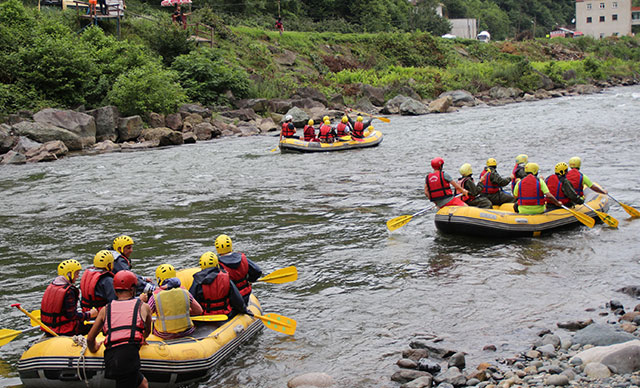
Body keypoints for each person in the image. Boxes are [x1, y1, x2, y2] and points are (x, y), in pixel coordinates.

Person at [87, 270, 152, 388]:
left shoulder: (105, 309)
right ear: (133, 290)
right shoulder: (144, 307)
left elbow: (90, 338)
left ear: (115, 291)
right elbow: (147, 330)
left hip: (110, 357)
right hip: (129, 356)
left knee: (143, 383)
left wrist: (94, 347)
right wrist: (143, 338)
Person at [142, 264, 203, 340]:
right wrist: (182, 312)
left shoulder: (155, 296)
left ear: (159, 279)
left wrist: (142, 302)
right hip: (187, 332)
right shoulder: (185, 292)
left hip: (164, 335)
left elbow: (145, 316)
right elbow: (199, 311)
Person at [40, 259, 97, 336]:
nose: (77, 276)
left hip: (49, 328)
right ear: (69, 274)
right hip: (64, 330)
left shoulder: (52, 286)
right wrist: (89, 314)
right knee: (96, 325)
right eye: (76, 273)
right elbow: (72, 316)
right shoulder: (69, 291)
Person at [189, 252, 251, 318]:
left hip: (205, 315)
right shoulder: (225, 277)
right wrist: (244, 310)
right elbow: (237, 299)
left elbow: (191, 299)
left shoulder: (197, 280)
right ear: (216, 263)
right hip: (225, 314)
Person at [214, 234, 263, 305]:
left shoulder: (217, 264)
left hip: (231, 299)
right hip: (245, 295)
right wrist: (250, 281)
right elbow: (257, 271)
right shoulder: (242, 257)